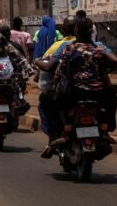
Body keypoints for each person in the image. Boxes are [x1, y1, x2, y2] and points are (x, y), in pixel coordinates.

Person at [45, 16, 117, 152]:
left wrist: (51, 85)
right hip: (98, 93)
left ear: (76, 31)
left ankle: (58, 133)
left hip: (74, 93)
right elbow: (116, 62)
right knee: (112, 98)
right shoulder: (98, 49)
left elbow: (59, 72)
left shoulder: (69, 48)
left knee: (47, 100)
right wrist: (105, 69)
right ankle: (105, 128)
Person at [35, 16, 76, 157]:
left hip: (66, 91)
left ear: (63, 30)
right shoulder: (96, 46)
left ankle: (53, 136)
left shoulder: (61, 46)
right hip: (93, 93)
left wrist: (36, 65)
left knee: (45, 100)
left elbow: (46, 65)